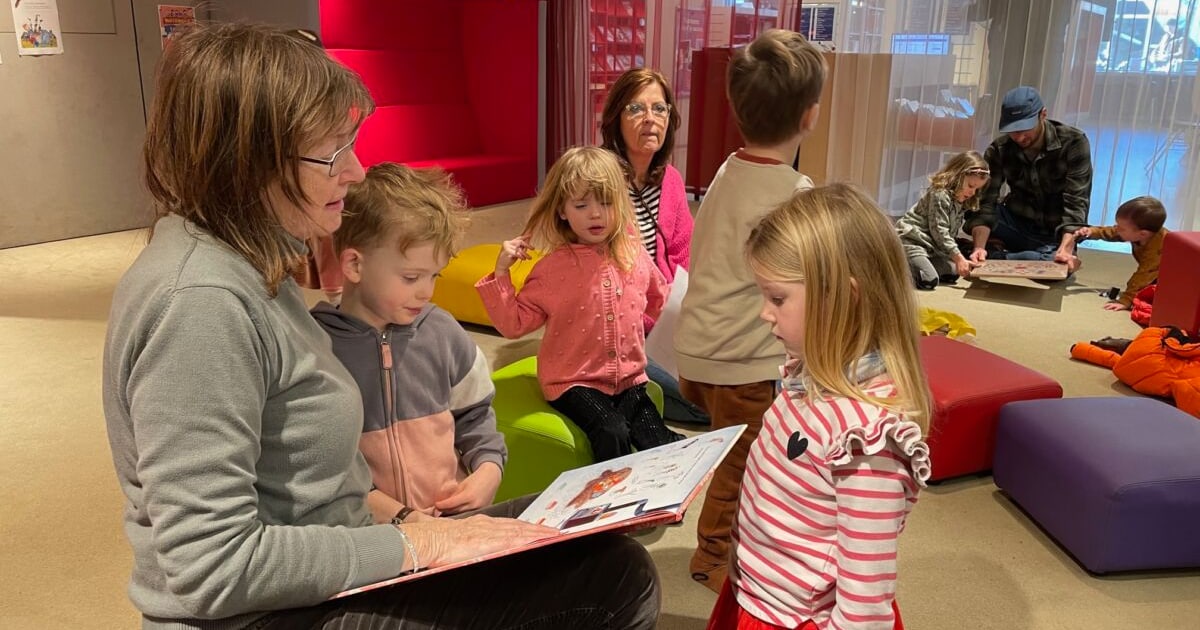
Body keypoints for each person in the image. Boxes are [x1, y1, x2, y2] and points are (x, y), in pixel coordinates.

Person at [102, 22, 659, 629]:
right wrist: (419, 547)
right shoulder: (200, 303)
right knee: (613, 582)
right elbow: (210, 567)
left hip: (342, 553)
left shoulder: (248, 267)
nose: (357, 171)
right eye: (334, 151)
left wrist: (407, 525)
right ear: (250, 162)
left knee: (591, 535)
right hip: (265, 613)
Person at [707, 183, 932, 630]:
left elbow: (865, 604)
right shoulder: (806, 371)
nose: (763, 313)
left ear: (842, 298)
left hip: (794, 617)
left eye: (776, 298)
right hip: (758, 589)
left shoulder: (867, 440)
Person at [673, 28, 826, 592]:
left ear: (736, 110)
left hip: (698, 347)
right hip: (741, 359)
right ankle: (712, 557)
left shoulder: (725, 171)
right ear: (810, 116)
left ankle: (752, 539)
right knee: (742, 464)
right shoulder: (793, 193)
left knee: (736, 448)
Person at [311, 163, 507, 523]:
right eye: (411, 276)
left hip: (453, 528)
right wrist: (399, 517)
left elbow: (476, 415)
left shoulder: (444, 333)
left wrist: (488, 470)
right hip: (371, 544)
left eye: (435, 275)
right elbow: (323, 465)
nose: (426, 291)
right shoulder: (315, 349)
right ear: (354, 264)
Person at [476, 146, 684, 462]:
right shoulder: (551, 270)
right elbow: (514, 324)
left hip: (630, 379)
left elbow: (659, 299)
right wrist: (502, 272)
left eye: (605, 202)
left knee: (660, 442)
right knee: (611, 431)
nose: (595, 214)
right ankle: (609, 503)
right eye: (582, 204)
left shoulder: (634, 255)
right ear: (562, 210)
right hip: (573, 382)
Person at [600, 67, 709, 426]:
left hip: (667, 322)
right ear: (616, 118)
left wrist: (684, 314)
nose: (650, 120)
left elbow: (683, 256)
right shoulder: (597, 182)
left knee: (731, 378)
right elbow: (595, 274)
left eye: (659, 109)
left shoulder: (671, 181)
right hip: (618, 331)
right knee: (703, 405)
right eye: (636, 109)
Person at [964, 85, 1091, 273]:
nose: (1019, 137)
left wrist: (1065, 250)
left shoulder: (1073, 142)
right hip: (1015, 224)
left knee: (1057, 265)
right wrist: (979, 248)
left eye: (1025, 128)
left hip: (1053, 234)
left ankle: (1001, 256)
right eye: (1012, 130)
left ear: (1043, 115)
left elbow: (1077, 203)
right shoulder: (999, 149)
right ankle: (997, 253)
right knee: (970, 205)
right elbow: (986, 202)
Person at [895, 150, 990, 290]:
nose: (972, 192)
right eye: (970, 186)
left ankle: (922, 266)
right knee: (929, 280)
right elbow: (940, 231)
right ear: (957, 177)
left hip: (931, 249)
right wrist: (958, 257)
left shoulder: (959, 201)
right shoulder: (939, 195)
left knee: (953, 273)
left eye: (976, 189)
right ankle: (894, 267)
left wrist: (960, 260)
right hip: (913, 242)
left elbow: (950, 234)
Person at [1073, 195, 1170, 311]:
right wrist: (1092, 231)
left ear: (1143, 234)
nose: (1117, 229)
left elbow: (1144, 274)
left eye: (1121, 228)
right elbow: (1113, 232)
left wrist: (1126, 300)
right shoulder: (1140, 233)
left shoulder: (1159, 247)